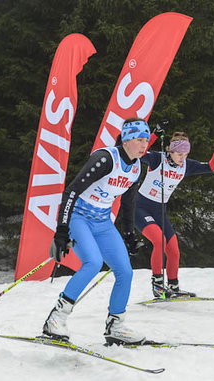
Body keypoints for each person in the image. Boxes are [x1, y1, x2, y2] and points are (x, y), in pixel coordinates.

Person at [43, 117, 151, 345]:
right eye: (140, 139)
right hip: (78, 217)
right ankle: (56, 319)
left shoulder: (138, 167)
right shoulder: (105, 159)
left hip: (102, 222)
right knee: (92, 263)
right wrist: (62, 229)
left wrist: (129, 234)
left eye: (147, 139)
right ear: (127, 139)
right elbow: (71, 191)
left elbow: (128, 203)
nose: (144, 145)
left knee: (125, 271)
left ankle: (116, 326)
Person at [126, 128, 214, 298]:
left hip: (159, 211)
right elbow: (138, 152)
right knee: (160, 241)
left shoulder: (186, 165)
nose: (182, 157)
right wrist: (155, 134)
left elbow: (211, 167)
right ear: (169, 150)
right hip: (141, 208)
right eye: (179, 154)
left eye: (185, 154)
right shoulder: (157, 159)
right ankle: (157, 284)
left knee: (174, 250)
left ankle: (173, 287)